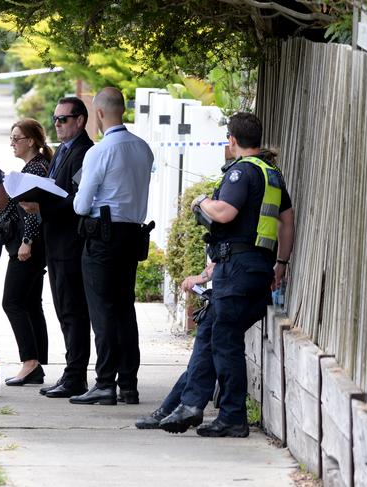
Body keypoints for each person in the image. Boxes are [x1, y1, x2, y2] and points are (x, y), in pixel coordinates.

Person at [136, 112, 295, 437]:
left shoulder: (242, 172)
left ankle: (232, 416)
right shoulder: (271, 173)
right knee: (210, 334)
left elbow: (226, 213)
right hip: (255, 268)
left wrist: (202, 201)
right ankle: (181, 407)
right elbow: (287, 222)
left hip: (237, 270)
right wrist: (281, 263)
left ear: (232, 140)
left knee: (223, 340)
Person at [70, 87, 153, 405]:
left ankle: (105, 382)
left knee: (103, 312)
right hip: (132, 236)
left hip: (103, 238)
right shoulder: (143, 148)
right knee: (124, 309)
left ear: (100, 114)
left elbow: (81, 205)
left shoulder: (99, 152)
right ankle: (128, 383)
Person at [20, 97, 93, 399]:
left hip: (70, 243)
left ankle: (76, 375)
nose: (58, 124)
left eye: (64, 119)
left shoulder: (83, 152)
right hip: (56, 241)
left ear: (80, 120)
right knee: (64, 310)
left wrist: (41, 208)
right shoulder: (63, 150)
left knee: (73, 311)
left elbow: (75, 202)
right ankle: (71, 371)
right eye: (55, 119)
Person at [0, 118, 52, 386]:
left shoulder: (36, 168)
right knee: (31, 303)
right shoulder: (35, 166)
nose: (12, 143)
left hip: (29, 245)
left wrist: (27, 241)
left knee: (12, 301)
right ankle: (36, 365)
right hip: (33, 243)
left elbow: (33, 208)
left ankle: (30, 361)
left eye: (16, 138)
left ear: (31, 141)